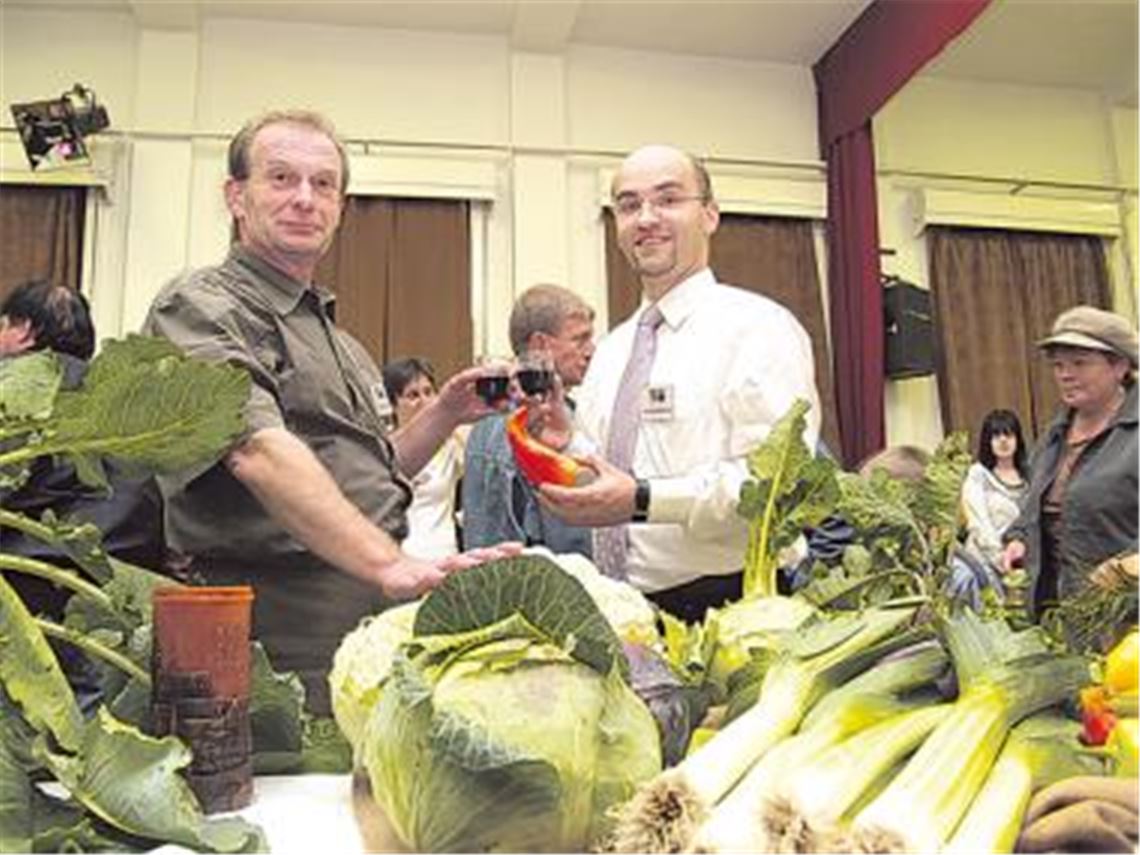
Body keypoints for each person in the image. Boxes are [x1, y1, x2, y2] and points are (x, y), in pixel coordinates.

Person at [141, 110, 516, 712]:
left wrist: (446, 412)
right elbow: (254, 451)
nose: (304, 199)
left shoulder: (342, 343)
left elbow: (370, 473)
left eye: (323, 184)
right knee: (277, 769)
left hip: (364, 617)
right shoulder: (201, 306)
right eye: (281, 178)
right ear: (236, 196)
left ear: (340, 207)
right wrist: (389, 562)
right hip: (273, 627)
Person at [538, 144, 822, 623]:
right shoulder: (612, 350)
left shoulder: (758, 328)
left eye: (668, 199)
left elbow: (777, 485)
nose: (646, 218)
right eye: (628, 205)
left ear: (710, 215)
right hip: (626, 608)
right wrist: (566, 447)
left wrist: (644, 500)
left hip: (737, 607)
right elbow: (608, 476)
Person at [1, 281, 163, 711]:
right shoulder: (123, 398)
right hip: (121, 584)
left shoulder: (15, 387)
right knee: (96, 716)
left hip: (32, 583)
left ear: (23, 331)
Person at [1001, 305, 1138, 623]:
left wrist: (1124, 568)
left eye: (1080, 363)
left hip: (1126, 617)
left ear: (1120, 366)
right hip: (1057, 613)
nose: (1065, 374)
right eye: (1058, 365)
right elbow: (1033, 508)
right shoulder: (1054, 436)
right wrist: (1019, 538)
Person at [463, 284, 595, 557]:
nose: (591, 350)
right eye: (580, 339)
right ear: (540, 345)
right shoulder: (517, 425)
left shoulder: (489, 420)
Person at [381, 357, 464, 560]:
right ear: (393, 404)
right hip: (395, 559)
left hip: (443, 558)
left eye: (429, 392)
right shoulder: (382, 448)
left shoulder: (453, 443)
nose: (424, 402)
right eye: (413, 395)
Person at [961, 409, 1028, 574]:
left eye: (1009, 435)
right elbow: (978, 523)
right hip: (985, 564)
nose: (1003, 440)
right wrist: (1000, 558)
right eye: (996, 436)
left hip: (1024, 564)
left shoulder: (1030, 475)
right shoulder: (978, 475)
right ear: (988, 441)